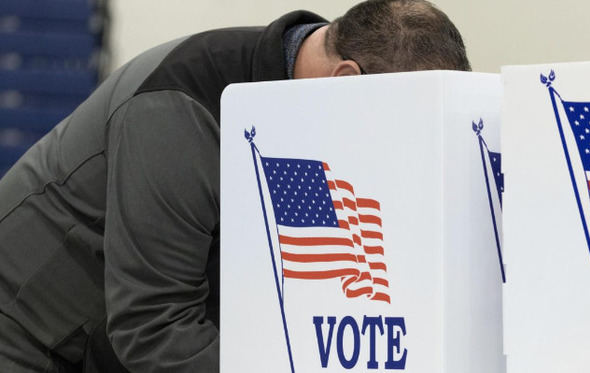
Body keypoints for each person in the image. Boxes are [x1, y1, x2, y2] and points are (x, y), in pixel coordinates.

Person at [0, 0, 470, 372]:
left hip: (115, 340)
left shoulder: (314, 99)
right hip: (30, 336)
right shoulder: (180, 112)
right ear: (346, 81)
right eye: (400, 129)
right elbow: (154, 326)